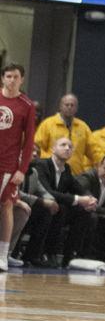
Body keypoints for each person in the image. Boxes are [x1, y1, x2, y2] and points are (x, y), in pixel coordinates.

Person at [30, 137, 97, 267]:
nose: (67, 148)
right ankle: (45, 253)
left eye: (70, 146)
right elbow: (48, 192)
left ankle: (69, 256)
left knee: (83, 212)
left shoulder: (66, 169)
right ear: (53, 149)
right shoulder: (42, 164)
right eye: (63, 145)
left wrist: (90, 198)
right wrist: (78, 199)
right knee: (59, 208)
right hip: (38, 205)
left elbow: (78, 187)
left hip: (57, 209)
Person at [0, 63, 36, 271]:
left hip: (8, 166)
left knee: (6, 206)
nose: (12, 80)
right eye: (8, 76)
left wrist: (22, 169)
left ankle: (3, 255)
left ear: (22, 80)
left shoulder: (27, 105)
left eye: (16, 77)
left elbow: (29, 140)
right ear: (3, 78)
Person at [35, 94, 97, 175]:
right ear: (60, 106)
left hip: (75, 175)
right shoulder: (48, 124)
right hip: (52, 174)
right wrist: (51, 160)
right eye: (67, 105)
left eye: (72, 105)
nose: (69, 107)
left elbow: (94, 151)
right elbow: (37, 148)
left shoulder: (83, 127)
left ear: (76, 108)